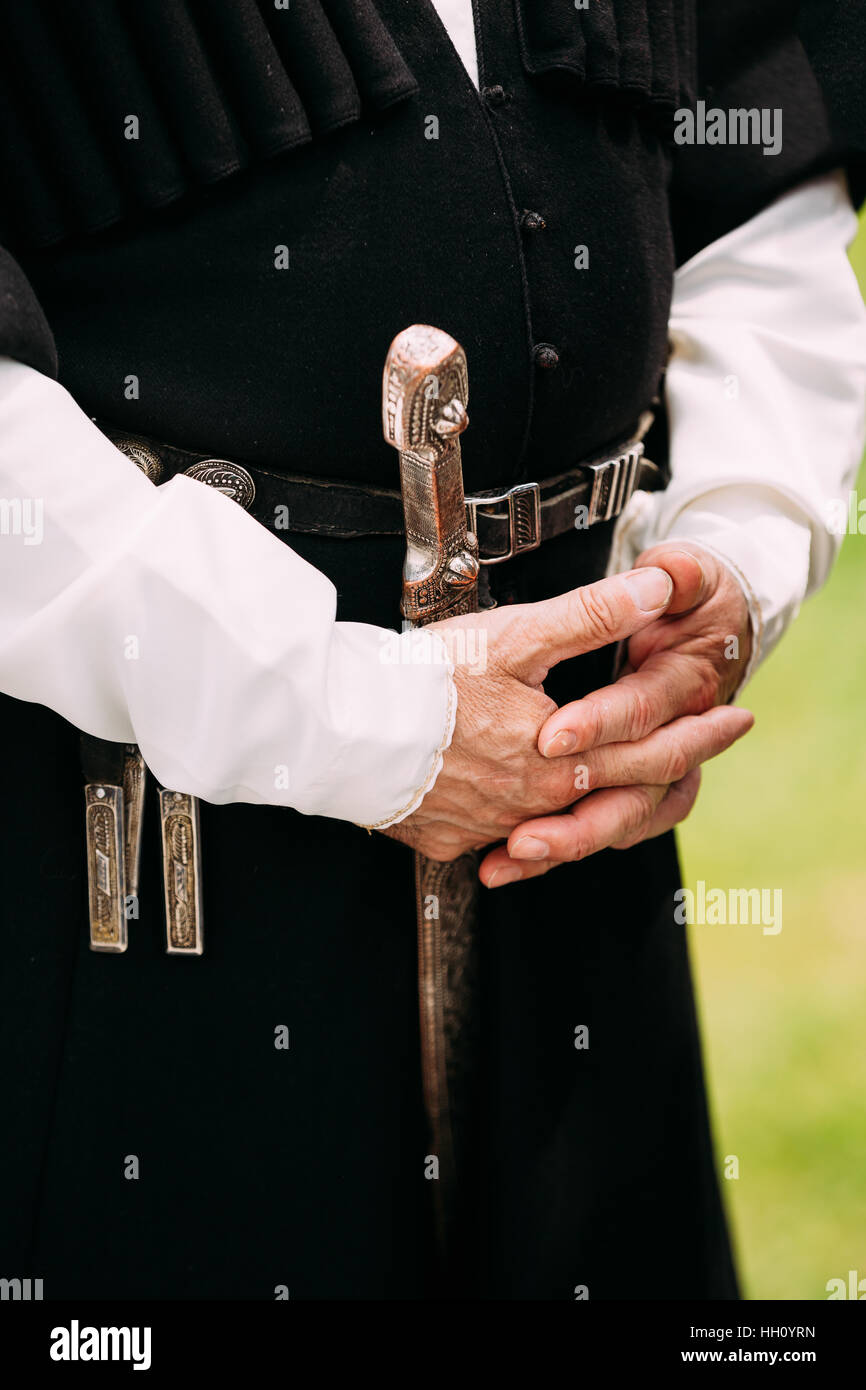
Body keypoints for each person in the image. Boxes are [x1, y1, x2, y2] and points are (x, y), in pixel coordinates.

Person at [0, 0, 864, 1300]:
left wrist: (732, 552)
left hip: (576, 834)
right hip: (141, 880)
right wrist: (349, 717)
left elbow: (751, 162)